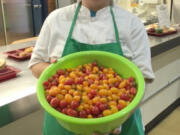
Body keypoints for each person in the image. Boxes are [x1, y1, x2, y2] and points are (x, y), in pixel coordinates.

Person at [29, 0, 155, 135]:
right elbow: (36, 63)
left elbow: (142, 77)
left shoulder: (132, 23)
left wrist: (116, 120)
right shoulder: (55, 19)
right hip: (62, 121)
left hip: (121, 122)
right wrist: (56, 73)